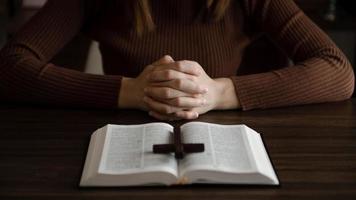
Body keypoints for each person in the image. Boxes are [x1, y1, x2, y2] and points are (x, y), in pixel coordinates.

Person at [0, 0, 354, 121]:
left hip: (223, 144)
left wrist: (216, 94)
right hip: (123, 145)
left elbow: (338, 70)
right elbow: (10, 67)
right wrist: (131, 92)